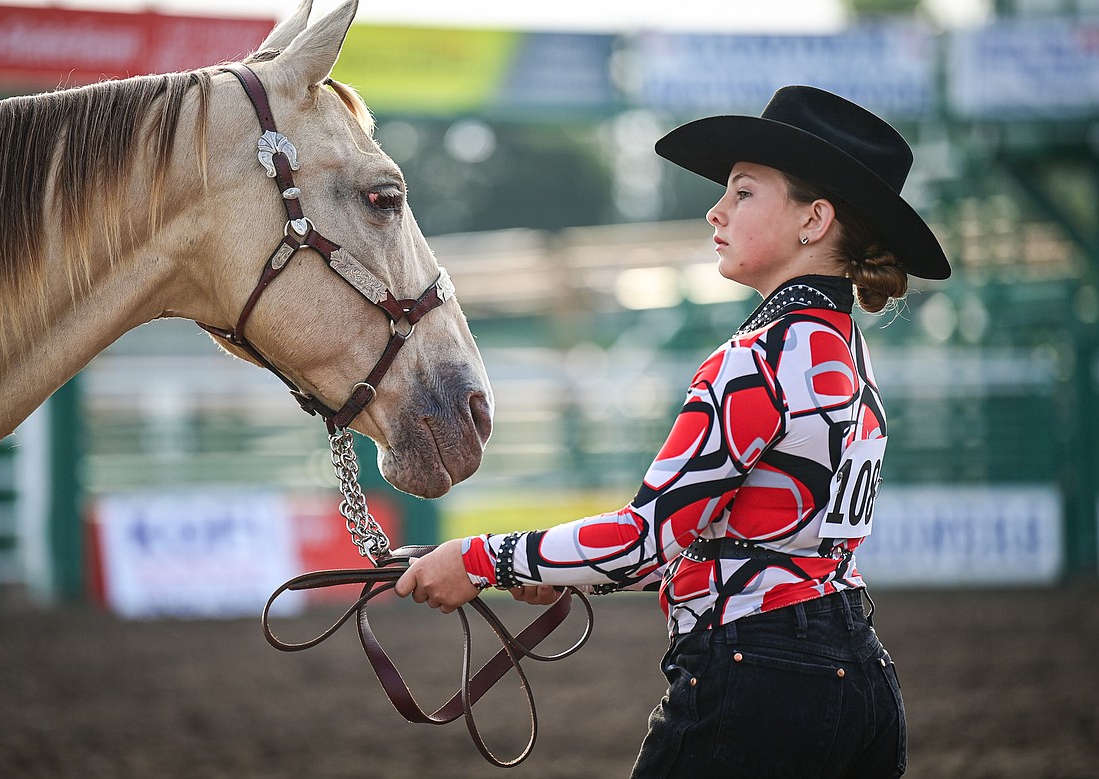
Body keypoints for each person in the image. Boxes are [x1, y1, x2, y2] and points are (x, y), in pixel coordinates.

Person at [395, 85, 951, 778]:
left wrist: (480, 561)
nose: (716, 211)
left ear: (814, 220)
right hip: (861, 682)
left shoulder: (753, 363)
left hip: (757, 686)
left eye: (744, 193)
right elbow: (742, 542)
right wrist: (561, 573)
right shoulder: (849, 360)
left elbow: (642, 537)